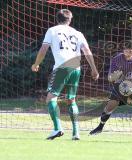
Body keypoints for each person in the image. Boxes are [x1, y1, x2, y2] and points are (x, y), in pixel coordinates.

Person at [31, 9, 99, 140]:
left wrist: (36, 64)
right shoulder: (77, 33)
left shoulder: (52, 30)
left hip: (62, 67)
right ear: (70, 19)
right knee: (71, 99)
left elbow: (44, 48)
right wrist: (94, 69)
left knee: (51, 98)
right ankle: (76, 133)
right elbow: (87, 50)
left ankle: (57, 129)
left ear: (57, 18)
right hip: (76, 67)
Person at [89, 40, 132, 135]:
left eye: (131, 51)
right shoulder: (117, 59)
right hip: (120, 85)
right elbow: (110, 78)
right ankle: (100, 127)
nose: (128, 53)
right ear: (123, 50)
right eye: (126, 51)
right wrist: (115, 76)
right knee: (110, 106)